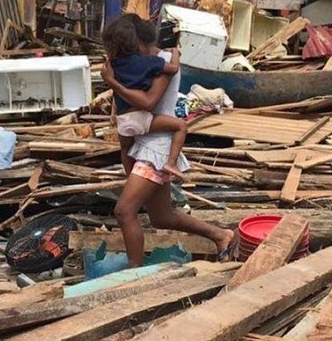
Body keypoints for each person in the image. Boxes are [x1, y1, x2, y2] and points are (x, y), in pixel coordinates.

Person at [102, 14, 236, 268]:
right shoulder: (139, 62)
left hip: (158, 147)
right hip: (143, 144)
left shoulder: (162, 62)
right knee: (161, 217)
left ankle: (134, 273)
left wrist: (112, 83)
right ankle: (221, 235)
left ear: (134, 42)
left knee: (124, 211)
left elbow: (149, 101)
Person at [100, 16, 187, 180]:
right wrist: (176, 52)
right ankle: (172, 163)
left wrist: (111, 82)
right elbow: (147, 101)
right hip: (146, 136)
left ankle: (129, 178)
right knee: (181, 126)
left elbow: (147, 101)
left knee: (126, 206)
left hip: (152, 146)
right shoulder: (151, 63)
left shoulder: (118, 63)